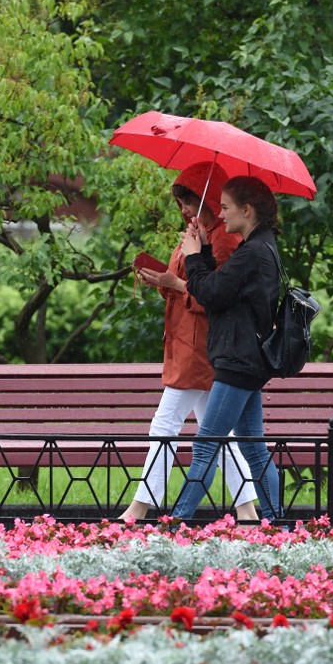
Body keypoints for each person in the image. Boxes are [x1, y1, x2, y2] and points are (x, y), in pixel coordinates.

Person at [119, 162, 259, 523]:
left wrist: (179, 276)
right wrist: (164, 279)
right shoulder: (199, 234)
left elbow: (214, 298)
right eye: (180, 201)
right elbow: (188, 286)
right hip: (186, 343)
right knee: (219, 433)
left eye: (189, 200)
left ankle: (140, 507)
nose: (183, 208)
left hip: (200, 348)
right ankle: (246, 511)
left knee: (164, 425)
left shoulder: (223, 240)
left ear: (208, 200)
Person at [170, 175, 283, 523]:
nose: (220, 213)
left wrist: (192, 257)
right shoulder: (262, 247)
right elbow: (221, 289)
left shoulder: (251, 253)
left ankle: (177, 523)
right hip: (248, 361)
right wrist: (203, 249)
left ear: (246, 210)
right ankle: (277, 523)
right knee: (252, 447)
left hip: (238, 361)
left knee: (206, 444)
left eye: (226, 207)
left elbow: (212, 292)